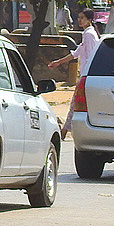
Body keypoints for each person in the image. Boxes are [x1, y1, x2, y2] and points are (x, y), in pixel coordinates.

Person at [48, 7, 102, 139]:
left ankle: (65, 131)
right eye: (79, 18)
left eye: (82, 18)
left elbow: (89, 56)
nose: (80, 20)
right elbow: (76, 53)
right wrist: (59, 62)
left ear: (89, 20)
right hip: (86, 75)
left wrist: (86, 76)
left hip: (87, 76)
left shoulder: (89, 35)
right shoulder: (87, 34)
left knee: (77, 104)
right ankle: (65, 130)